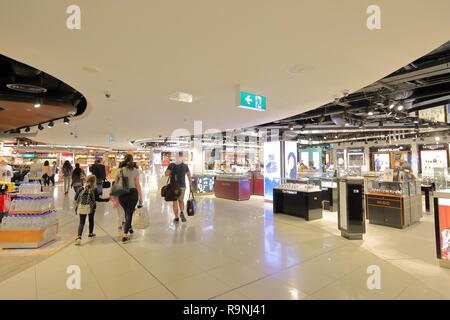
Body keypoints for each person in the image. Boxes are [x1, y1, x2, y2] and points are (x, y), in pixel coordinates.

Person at [74, 175, 110, 245]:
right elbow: (98, 199)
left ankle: (79, 237)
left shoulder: (81, 188)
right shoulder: (94, 189)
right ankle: (90, 233)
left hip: (82, 206)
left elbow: (75, 198)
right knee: (91, 220)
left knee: (82, 222)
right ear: (94, 182)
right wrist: (107, 199)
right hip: (91, 207)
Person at [116, 154, 143, 243]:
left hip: (122, 194)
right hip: (132, 193)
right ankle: (125, 235)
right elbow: (137, 185)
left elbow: (116, 183)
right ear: (132, 160)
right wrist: (141, 198)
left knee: (127, 212)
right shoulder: (135, 171)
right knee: (129, 213)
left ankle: (129, 227)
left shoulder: (119, 170)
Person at [165, 151, 193, 223]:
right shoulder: (185, 165)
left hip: (174, 187)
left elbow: (166, 174)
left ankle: (176, 217)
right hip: (182, 186)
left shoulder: (171, 165)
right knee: (181, 200)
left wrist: (171, 172)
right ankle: (182, 212)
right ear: (182, 156)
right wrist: (191, 185)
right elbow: (189, 176)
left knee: (174, 202)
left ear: (176, 156)